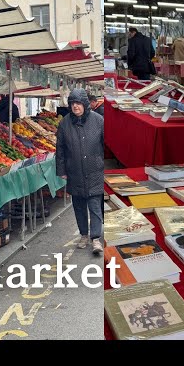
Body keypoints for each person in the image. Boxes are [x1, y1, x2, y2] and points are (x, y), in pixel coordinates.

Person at [55, 88, 105, 254]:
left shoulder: (98, 120)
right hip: (74, 171)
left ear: (84, 103)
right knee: (78, 206)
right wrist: (61, 169)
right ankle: (84, 235)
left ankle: (96, 239)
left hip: (95, 170)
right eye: (72, 103)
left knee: (95, 206)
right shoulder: (64, 123)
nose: (75, 106)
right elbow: (60, 148)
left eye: (78, 103)